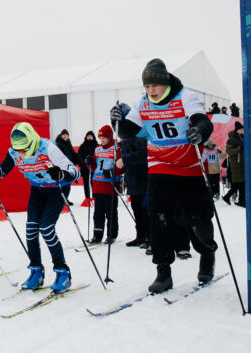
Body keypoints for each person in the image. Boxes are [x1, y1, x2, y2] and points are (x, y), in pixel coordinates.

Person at [111, 58, 219, 293]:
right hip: (160, 165)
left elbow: (203, 122)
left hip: (188, 166)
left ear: (166, 83)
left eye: (155, 87)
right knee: (158, 218)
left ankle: (207, 254)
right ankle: (163, 271)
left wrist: (198, 131)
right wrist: (116, 118)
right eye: (147, 87)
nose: (151, 91)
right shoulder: (142, 102)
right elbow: (127, 132)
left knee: (198, 218)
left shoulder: (184, 97)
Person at [0, 122, 79, 293]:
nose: (21, 154)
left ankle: (63, 272)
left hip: (56, 189)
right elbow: (2, 171)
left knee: (46, 228)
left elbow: (74, 172)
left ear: (32, 142)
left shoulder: (49, 148)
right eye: (18, 150)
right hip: (37, 189)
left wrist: (61, 174)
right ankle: (36, 271)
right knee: (31, 229)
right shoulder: (14, 151)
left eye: (24, 150)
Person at [89, 125, 122, 244]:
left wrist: (113, 172)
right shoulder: (97, 149)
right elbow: (93, 167)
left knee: (111, 212)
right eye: (100, 138)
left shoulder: (116, 148)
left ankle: (111, 235)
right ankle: (97, 235)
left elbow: (121, 166)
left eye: (104, 138)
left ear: (109, 137)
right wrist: (89, 162)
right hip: (97, 185)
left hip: (110, 186)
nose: (102, 140)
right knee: (98, 213)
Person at [119, 127, 149, 248]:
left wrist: (125, 159)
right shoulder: (126, 139)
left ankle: (149, 237)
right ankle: (140, 236)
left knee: (145, 210)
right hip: (132, 179)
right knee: (136, 209)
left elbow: (144, 154)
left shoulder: (140, 136)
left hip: (143, 178)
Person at [54, 130, 81, 205]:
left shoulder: (68, 143)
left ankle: (65, 199)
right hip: (62, 167)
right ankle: (62, 200)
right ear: (61, 135)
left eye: (66, 135)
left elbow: (72, 154)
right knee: (63, 184)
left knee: (67, 184)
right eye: (64, 135)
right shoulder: (58, 143)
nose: (65, 136)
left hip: (69, 166)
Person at [223, 122, 245, 207]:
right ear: (238, 130)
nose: (243, 131)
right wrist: (239, 149)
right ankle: (230, 197)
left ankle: (240, 200)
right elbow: (229, 151)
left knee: (241, 183)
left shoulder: (242, 138)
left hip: (242, 163)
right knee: (239, 183)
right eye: (241, 129)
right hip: (236, 164)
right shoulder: (232, 139)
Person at [77, 131, 97, 201]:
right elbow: (79, 156)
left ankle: (95, 197)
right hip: (85, 168)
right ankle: (87, 198)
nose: (89, 137)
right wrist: (83, 163)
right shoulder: (82, 146)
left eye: (90, 136)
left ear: (93, 137)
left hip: (94, 168)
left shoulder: (96, 145)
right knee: (86, 183)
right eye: (88, 136)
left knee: (94, 183)